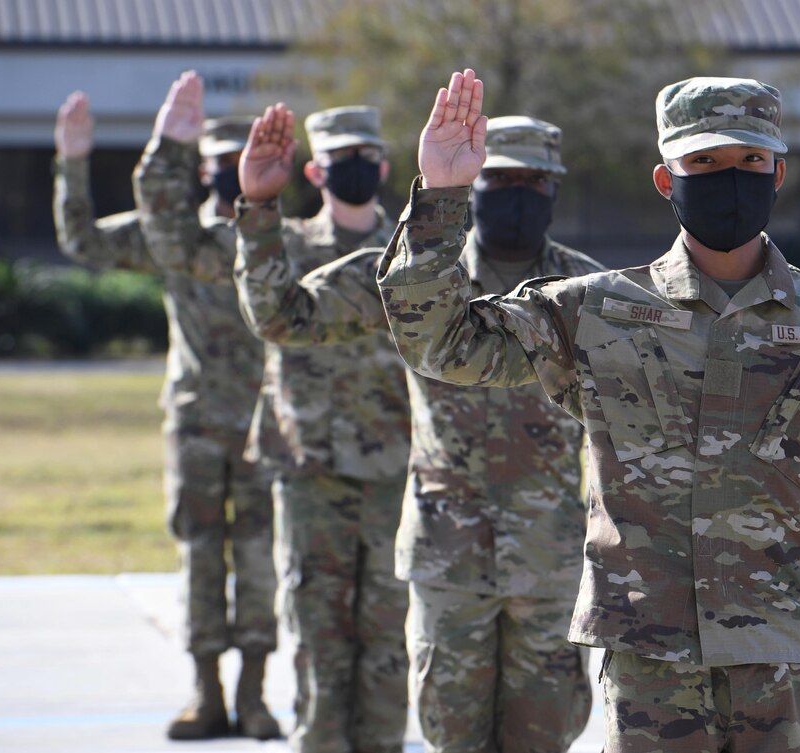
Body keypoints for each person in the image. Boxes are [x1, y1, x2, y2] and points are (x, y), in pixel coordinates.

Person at [376, 69, 800, 753]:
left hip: (786, 666)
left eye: (750, 160)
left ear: (778, 172)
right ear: (667, 179)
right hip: (650, 672)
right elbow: (441, 343)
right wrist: (444, 199)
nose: (730, 176)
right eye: (705, 161)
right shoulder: (596, 312)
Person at [234, 103, 604, 753]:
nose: (516, 198)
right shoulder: (416, 278)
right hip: (448, 559)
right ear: (472, 184)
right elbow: (283, 317)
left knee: (544, 737)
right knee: (450, 733)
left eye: (532, 184)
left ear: (555, 189)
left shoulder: (585, 289)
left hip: (547, 561)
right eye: (499, 181)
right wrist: (260, 208)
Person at [134, 92, 412, 753]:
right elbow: (174, 238)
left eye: (364, 156)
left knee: (387, 630)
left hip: (393, 467)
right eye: (338, 157)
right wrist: (171, 151)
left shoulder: (410, 252)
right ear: (313, 170)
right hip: (307, 464)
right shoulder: (276, 244)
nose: (352, 167)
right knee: (316, 627)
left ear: (384, 164)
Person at [52, 76, 279, 741]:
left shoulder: (279, 239)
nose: (229, 175)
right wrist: (71, 163)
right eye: (220, 162)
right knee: (201, 556)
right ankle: (206, 695)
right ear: (204, 170)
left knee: (262, 558)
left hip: (269, 425)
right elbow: (83, 242)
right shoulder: (171, 237)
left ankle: (254, 696)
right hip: (197, 422)